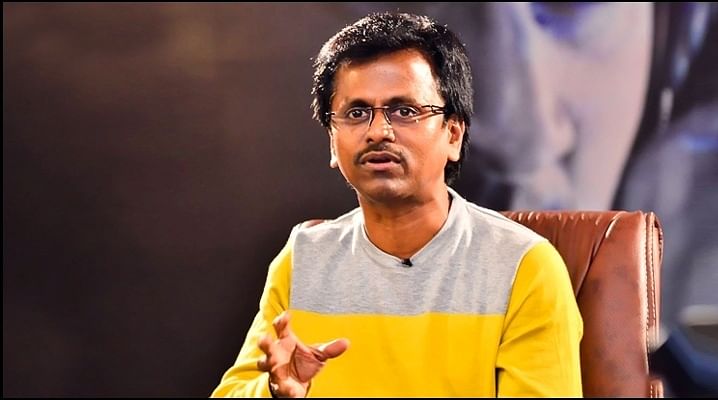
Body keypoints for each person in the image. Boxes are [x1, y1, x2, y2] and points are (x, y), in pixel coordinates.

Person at [211, 12, 582, 398]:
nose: (378, 132)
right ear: (333, 142)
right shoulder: (303, 259)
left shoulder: (524, 266)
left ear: (453, 135)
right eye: (356, 113)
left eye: (404, 111)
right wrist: (274, 391)